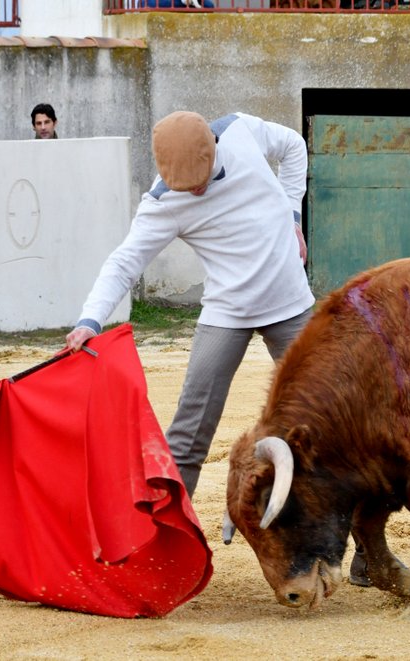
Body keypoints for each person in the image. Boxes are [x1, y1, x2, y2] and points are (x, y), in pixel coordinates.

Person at [65, 110, 314, 499]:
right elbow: (123, 263)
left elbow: (294, 146)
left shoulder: (240, 130)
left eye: (200, 182)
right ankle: (169, 544)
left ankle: (369, 552)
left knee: (329, 423)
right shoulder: (164, 202)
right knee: (188, 434)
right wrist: (90, 320)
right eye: (185, 187)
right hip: (227, 311)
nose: (194, 192)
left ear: (214, 148)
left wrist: (292, 214)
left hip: (290, 303)